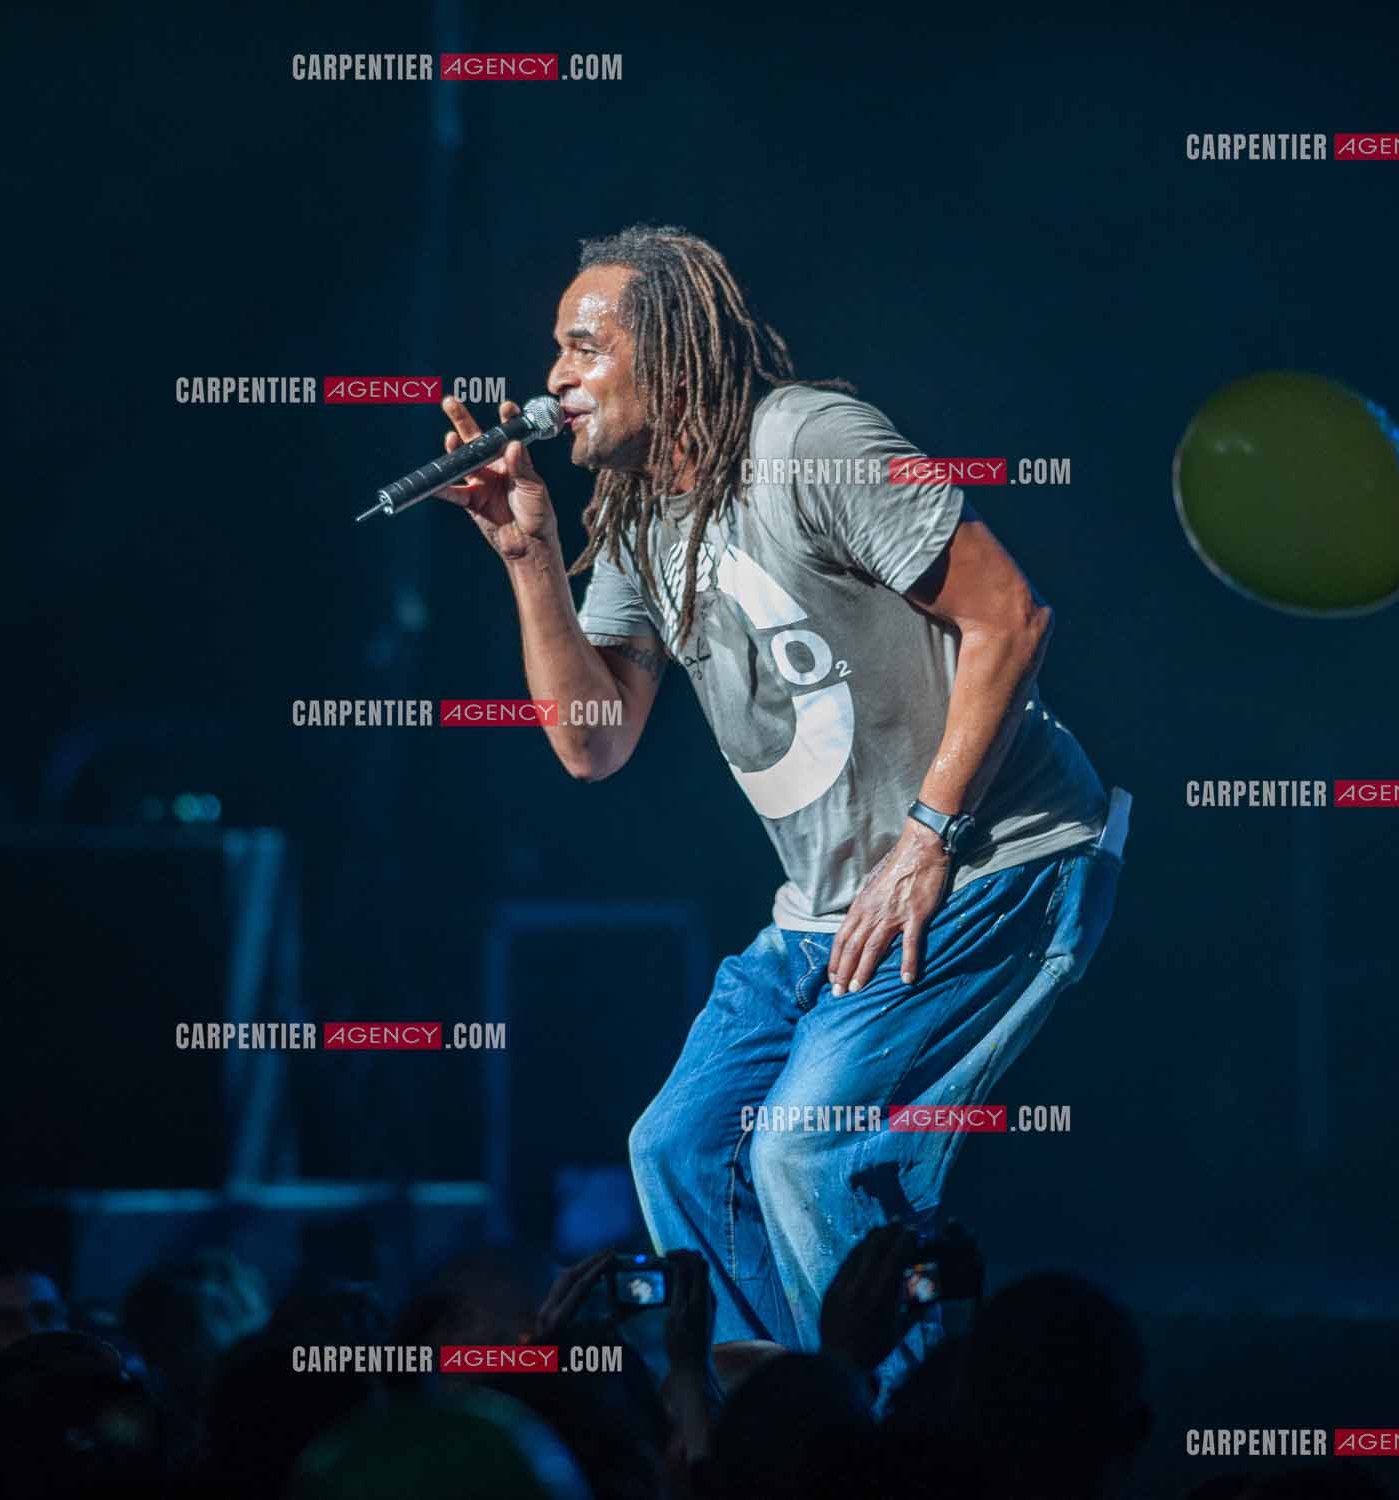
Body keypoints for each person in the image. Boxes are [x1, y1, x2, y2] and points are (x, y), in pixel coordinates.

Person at [439, 223, 1128, 1395]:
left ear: (672, 351)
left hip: (996, 859)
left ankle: (901, 1441)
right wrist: (528, 556)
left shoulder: (812, 439)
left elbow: (1010, 616)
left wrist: (929, 836)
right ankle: (775, 1424)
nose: (551, 377)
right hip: (823, 909)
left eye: (582, 346)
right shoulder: (635, 513)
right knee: (680, 1146)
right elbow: (591, 746)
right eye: (552, 350)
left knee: (812, 1150)